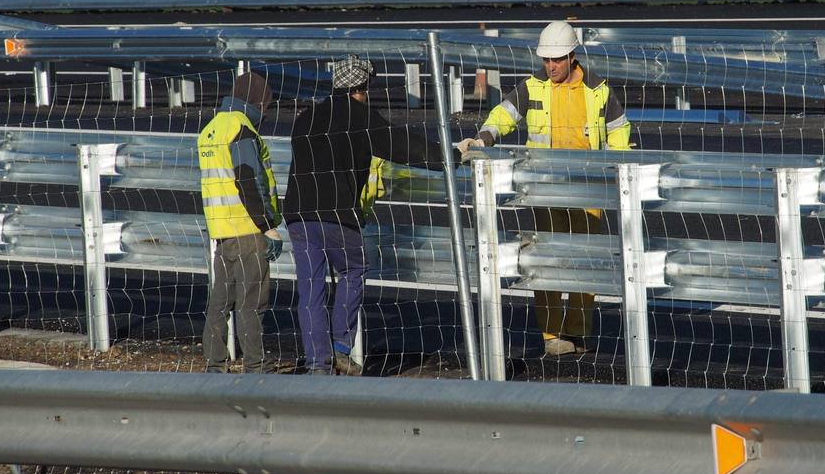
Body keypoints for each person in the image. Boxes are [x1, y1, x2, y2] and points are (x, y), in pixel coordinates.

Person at [458, 20, 632, 356]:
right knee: (547, 261)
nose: (550, 66)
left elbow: (619, 135)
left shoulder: (599, 91)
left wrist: (617, 174)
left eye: (556, 60)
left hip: (587, 190)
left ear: (572, 56)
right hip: (544, 188)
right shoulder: (531, 88)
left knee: (584, 260)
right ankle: (552, 336)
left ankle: (578, 332)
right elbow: (502, 116)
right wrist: (482, 137)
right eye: (546, 60)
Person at [285, 55, 445, 376]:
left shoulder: (305, 117)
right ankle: (341, 347)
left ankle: (318, 363)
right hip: (338, 215)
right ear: (362, 87)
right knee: (354, 269)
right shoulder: (360, 117)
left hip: (298, 215)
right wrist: (448, 157)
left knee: (311, 287)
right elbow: (402, 146)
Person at [199, 71, 284, 373]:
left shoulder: (212, 129)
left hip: (221, 232)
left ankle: (214, 366)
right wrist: (268, 227)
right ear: (258, 102)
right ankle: (255, 367)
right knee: (252, 302)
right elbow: (248, 180)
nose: (266, 113)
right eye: (267, 106)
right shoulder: (242, 129)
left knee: (220, 302)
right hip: (248, 230)